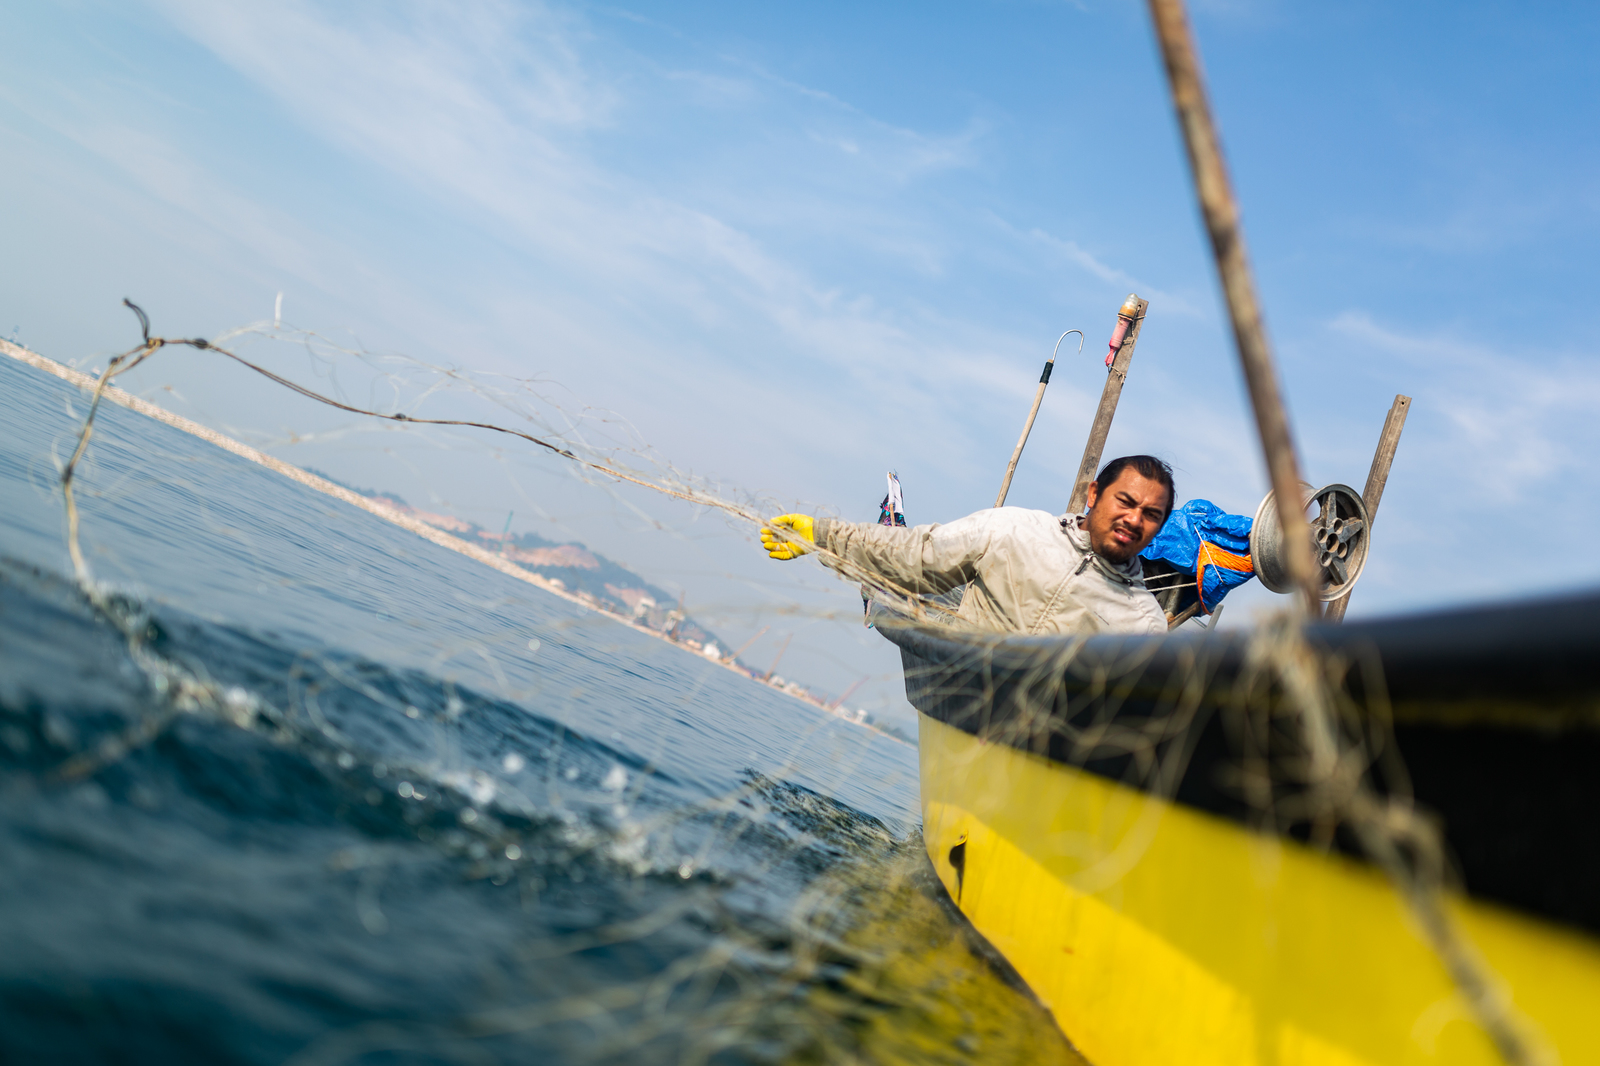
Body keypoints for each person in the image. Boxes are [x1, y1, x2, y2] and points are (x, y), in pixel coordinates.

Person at [759, 455, 1174, 636]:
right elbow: (917, 557)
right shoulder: (1014, 530)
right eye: (1126, 501)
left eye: (1151, 515)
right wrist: (822, 535)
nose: (1135, 520)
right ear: (1094, 493)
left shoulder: (1144, 625)